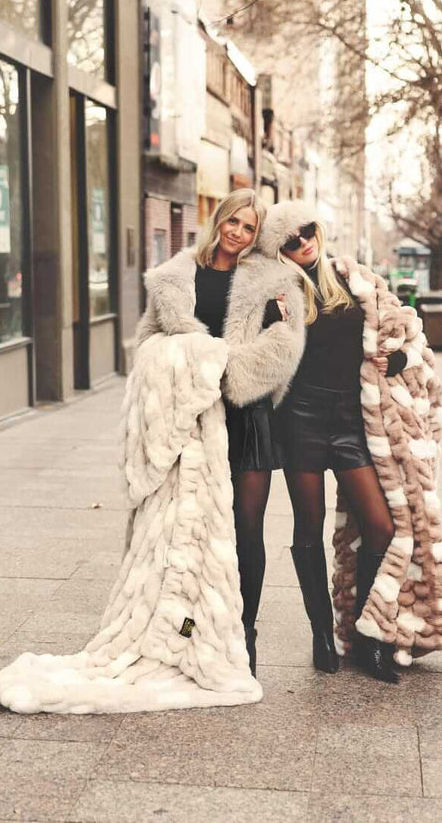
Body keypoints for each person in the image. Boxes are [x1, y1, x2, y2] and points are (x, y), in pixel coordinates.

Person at [258, 201, 442, 682]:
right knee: (306, 530)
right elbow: (261, 354)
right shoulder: (278, 294)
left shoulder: (356, 280)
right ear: (279, 250)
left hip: (352, 421)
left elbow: (404, 333)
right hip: (301, 420)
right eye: (290, 240)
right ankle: (321, 636)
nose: (302, 242)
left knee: (381, 526)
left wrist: (394, 361)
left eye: (306, 231)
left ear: (318, 230)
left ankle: (369, 635)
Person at [135, 189, 305, 676]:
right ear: (219, 219)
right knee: (194, 531)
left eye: (249, 227)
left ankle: (243, 634)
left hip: (247, 416)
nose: (238, 233)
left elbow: (284, 348)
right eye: (233, 221)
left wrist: (222, 367)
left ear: (257, 234)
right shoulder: (177, 277)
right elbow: (149, 344)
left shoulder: (273, 281)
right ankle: (190, 631)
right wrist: (188, 370)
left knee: (246, 532)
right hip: (192, 418)